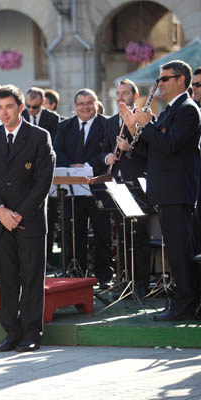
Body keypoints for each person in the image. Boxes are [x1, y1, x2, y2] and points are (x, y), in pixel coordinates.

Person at [120, 60, 201, 321]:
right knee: (175, 251)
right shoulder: (170, 110)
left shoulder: (188, 110)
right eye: (159, 79)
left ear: (181, 80)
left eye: (164, 79)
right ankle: (182, 301)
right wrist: (135, 128)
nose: (159, 83)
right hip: (167, 191)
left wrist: (146, 125)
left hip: (177, 192)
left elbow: (169, 145)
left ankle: (185, 304)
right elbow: (154, 149)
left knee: (180, 251)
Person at [0, 84, 55, 352]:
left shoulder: (39, 136)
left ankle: (32, 333)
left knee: (32, 277)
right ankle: (11, 332)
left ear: (21, 108)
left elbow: (43, 182)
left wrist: (19, 213)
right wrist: (0, 210)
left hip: (29, 220)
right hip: (0, 221)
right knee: (6, 278)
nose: (4, 112)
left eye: (9, 107)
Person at [54, 89, 113, 287]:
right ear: (75, 106)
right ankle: (77, 275)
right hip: (72, 190)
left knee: (102, 233)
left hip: (98, 187)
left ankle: (104, 275)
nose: (85, 107)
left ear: (96, 104)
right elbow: (57, 151)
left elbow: (108, 152)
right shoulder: (64, 126)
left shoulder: (107, 124)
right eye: (81, 103)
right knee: (73, 232)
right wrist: (73, 169)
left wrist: (87, 166)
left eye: (89, 103)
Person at [103, 79, 150, 298]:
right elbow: (104, 149)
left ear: (135, 96)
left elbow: (151, 153)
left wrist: (129, 147)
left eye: (125, 93)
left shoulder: (144, 118)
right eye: (118, 93)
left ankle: (141, 284)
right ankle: (125, 281)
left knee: (139, 236)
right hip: (117, 184)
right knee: (121, 237)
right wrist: (107, 156)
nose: (120, 97)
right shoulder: (110, 122)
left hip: (138, 184)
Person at [22, 87, 62, 270]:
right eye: (28, 106)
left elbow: (56, 146)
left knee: (48, 219)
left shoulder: (53, 119)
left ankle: (47, 259)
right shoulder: (21, 116)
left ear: (43, 103)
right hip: (25, 175)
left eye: (35, 107)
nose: (31, 110)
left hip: (45, 174)